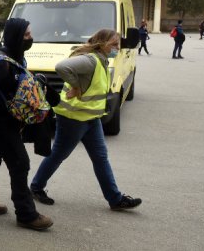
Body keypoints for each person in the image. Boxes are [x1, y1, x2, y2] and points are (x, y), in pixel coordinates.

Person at [30, 29, 143, 211]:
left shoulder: (102, 60)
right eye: (113, 44)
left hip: (91, 118)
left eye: (118, 44)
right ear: (102, 43)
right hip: (73, 118)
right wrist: (76, 86)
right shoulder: (91, 60)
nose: (117, 48)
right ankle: (36, 187)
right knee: (59, 154)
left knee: (100, 157)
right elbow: (62, 67)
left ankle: (115, 199)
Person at [0, 18, 53, 230]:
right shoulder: (0, 64)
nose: (30, 38)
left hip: (10, 120)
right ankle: (26, 214)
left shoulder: (17, 59)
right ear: (17, 36)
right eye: (27, 34)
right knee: (20, 163)